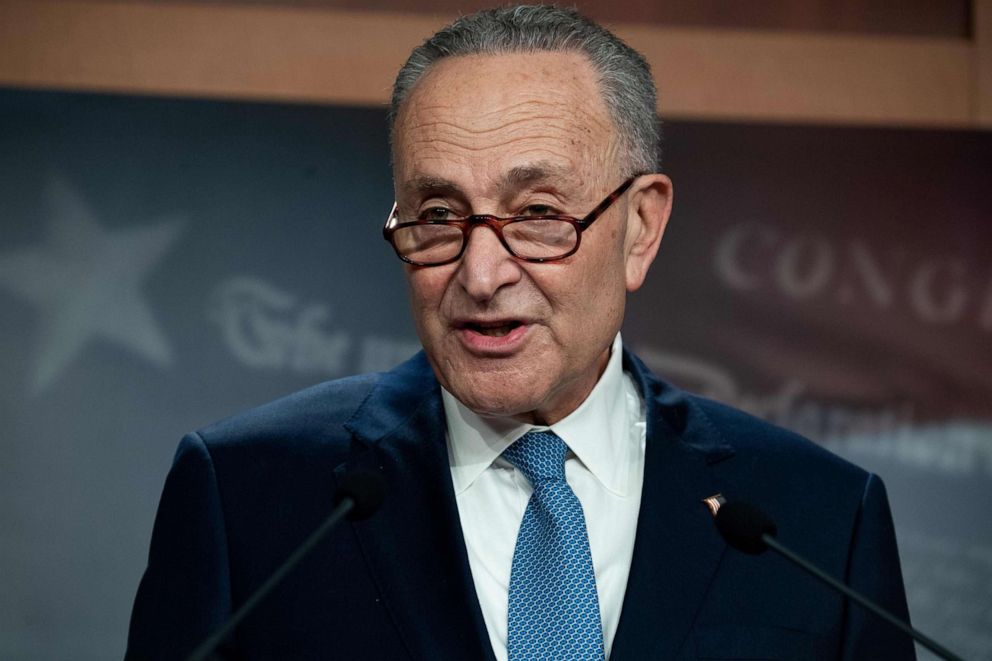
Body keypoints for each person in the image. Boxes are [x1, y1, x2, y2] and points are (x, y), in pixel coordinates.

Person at [127, 5, 914, 660]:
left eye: (538, 214)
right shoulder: (249, 495)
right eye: (437, 216)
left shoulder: (814, 519)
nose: (480, 273)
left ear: (640, 227)